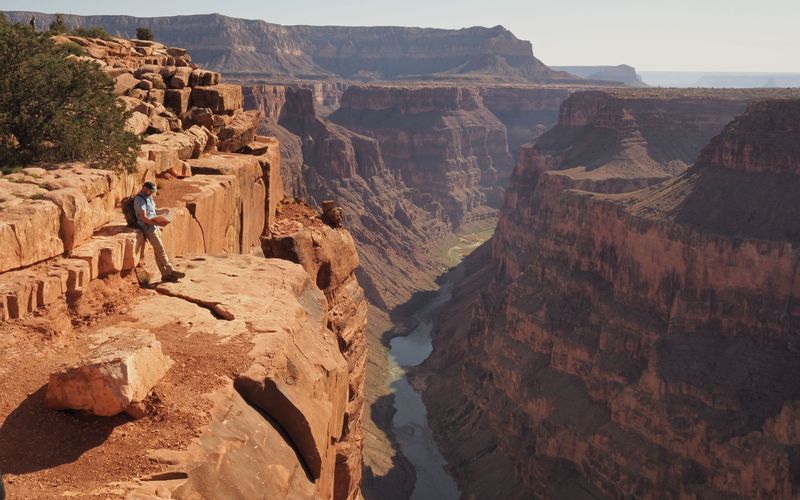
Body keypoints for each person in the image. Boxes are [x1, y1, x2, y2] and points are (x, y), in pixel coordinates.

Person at [134, 181, 185, 282]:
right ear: (144, 188)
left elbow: (153, 211)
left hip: (154, 226)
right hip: (148, 228)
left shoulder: (149, 197)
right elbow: (143, 217)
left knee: (158, 251)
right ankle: (171, 270)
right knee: (160, 249)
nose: (151, 193)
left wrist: (163, 211)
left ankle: (165, 275)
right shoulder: (139, 199)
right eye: (150, 191)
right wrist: (156, 223)